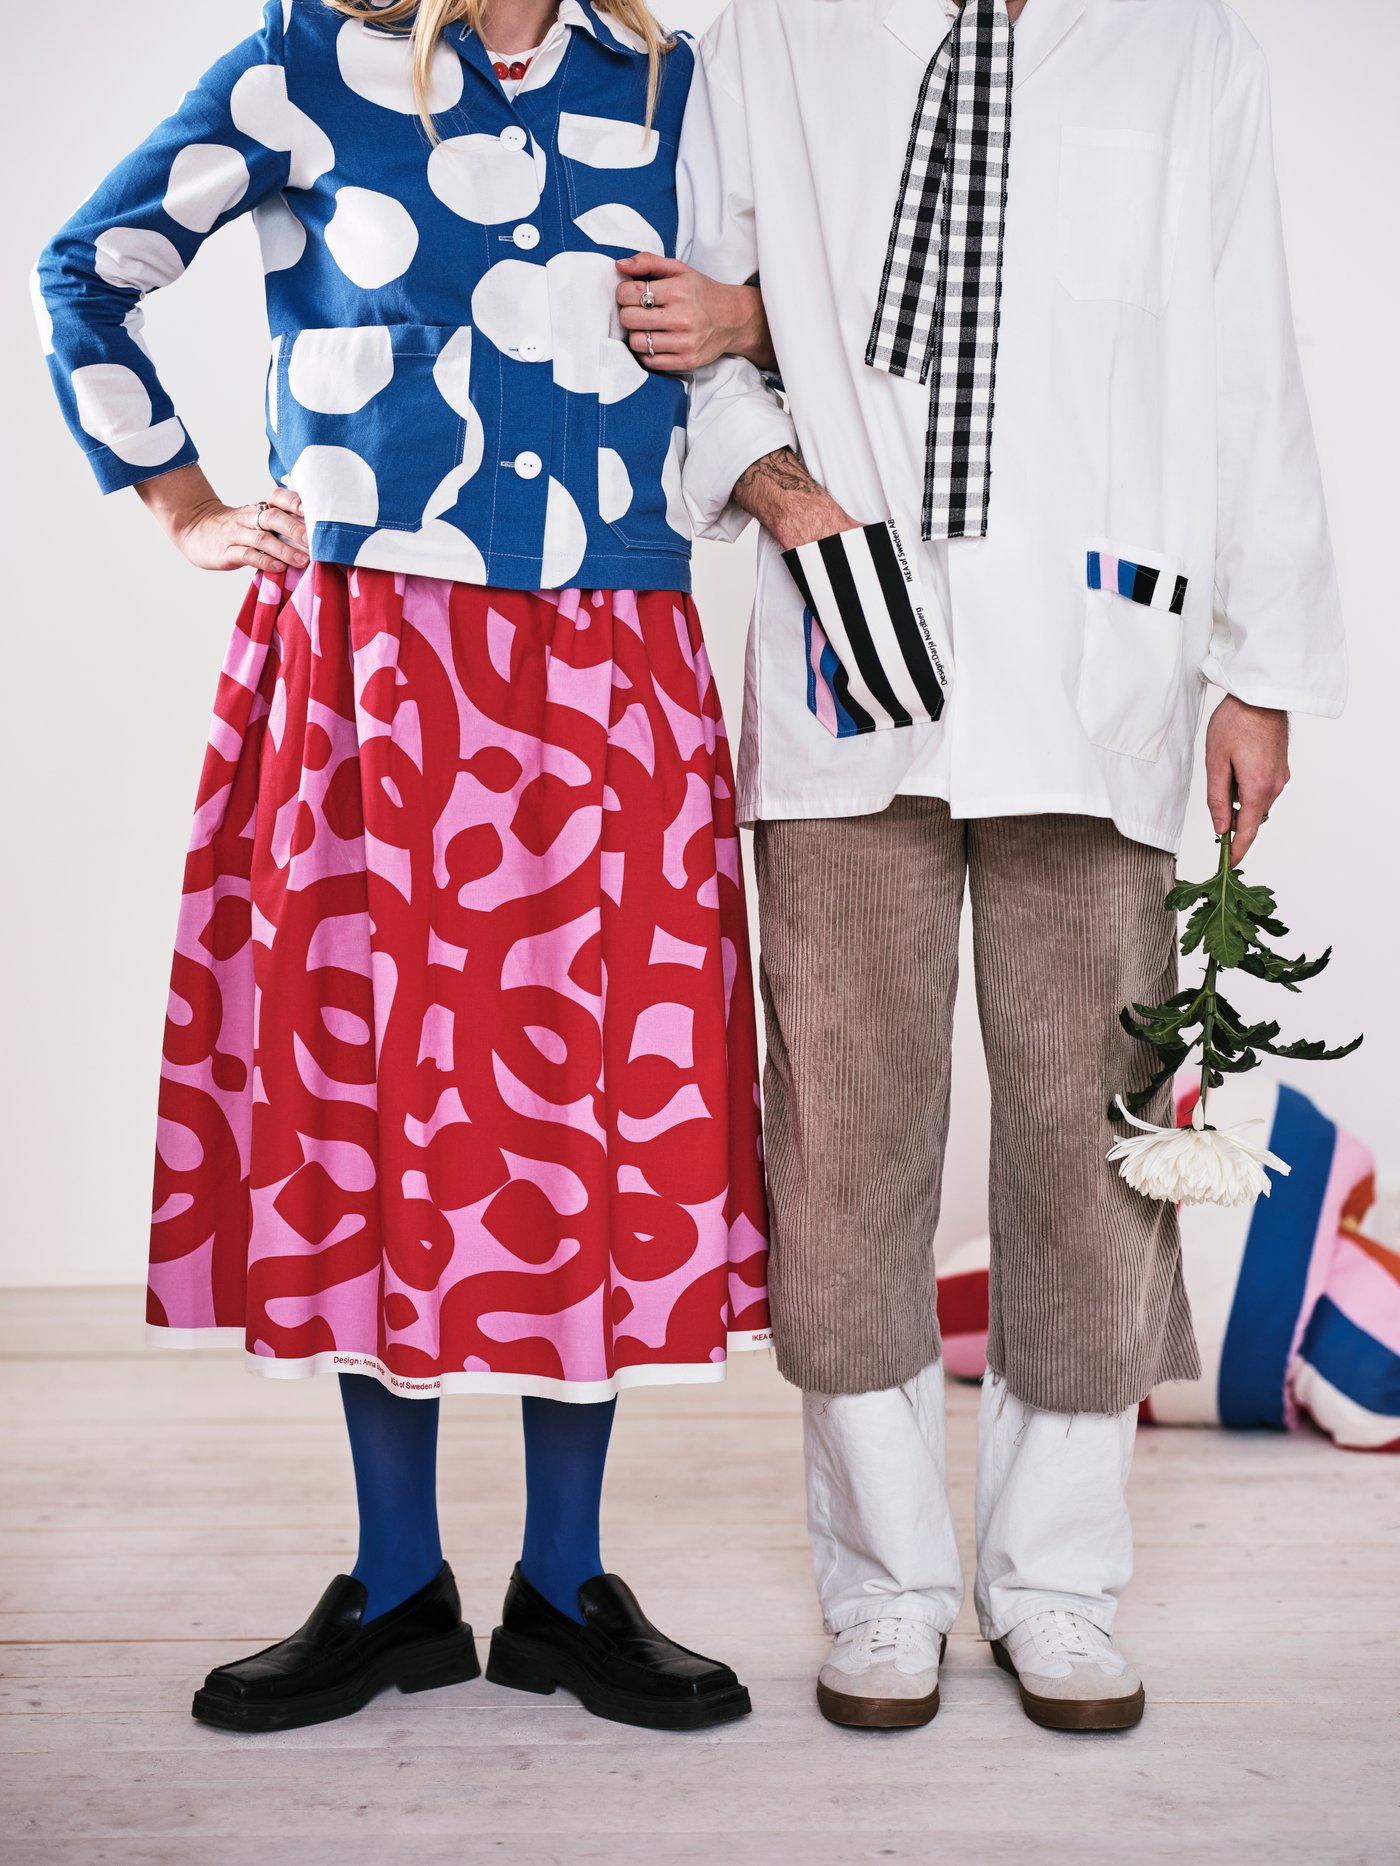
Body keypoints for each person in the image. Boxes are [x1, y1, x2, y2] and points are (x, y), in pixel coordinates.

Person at [35, 0, 777, 1735]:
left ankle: (568, 1586)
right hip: (372, 668)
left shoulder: (676, 81)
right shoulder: (302, 58)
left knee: (590, 1107)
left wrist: (748, 319)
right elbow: (90, 262)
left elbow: (810, 318)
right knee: (373, 1097)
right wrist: (181, 498)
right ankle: (392, 1587)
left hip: (612, 658)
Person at [629, 0, 1346, 1731]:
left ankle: (1059, 1587)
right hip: (846, 667)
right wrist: (794, 504)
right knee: (848, 1135)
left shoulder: (1186, 49)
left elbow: (1242, 355)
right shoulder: (771, 42)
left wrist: (1265, 665)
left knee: (1088, 1140)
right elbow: (687, 334)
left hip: (1102, 667)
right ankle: (884, 1592)